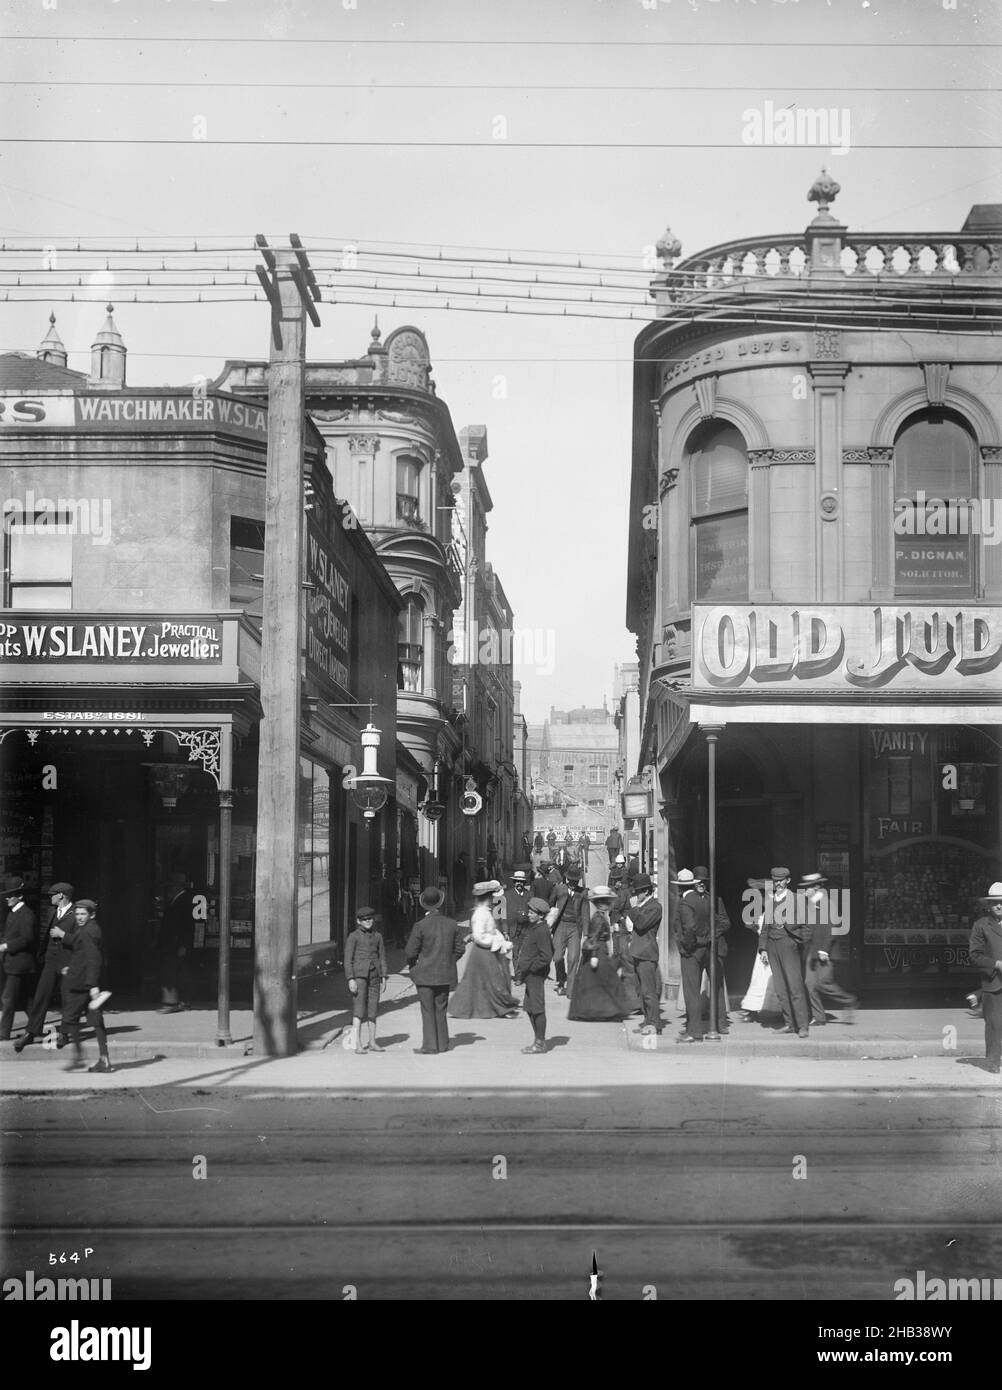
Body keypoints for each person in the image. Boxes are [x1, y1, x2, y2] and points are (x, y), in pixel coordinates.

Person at [405, 886, 465, 1055]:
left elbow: (410, 952)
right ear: (440, 902)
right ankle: (443, 1043)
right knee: (441, 1008)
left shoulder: (420, 926)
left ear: (424, 904)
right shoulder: (452, 924)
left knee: (427, 1009)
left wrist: (413, 966)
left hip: (424, 974)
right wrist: (449, 961)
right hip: (445, 974)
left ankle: (430, 1045)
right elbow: (460, 949)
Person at [15, 881, 75, 1052]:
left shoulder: (75, 913)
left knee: (67, 997)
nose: (50, 897)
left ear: (61, 895)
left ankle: (64, 1033)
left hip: (67, 962)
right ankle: (31, 1032)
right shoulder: (51, 911)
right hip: (50, 959)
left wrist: (63, 935)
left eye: (52, 894)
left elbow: (80, 940)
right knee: (42, 995)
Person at [448, 880, 521, 1019]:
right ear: (486, 897)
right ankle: (501, 1008)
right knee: (494, 979)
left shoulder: (485, 911)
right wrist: (496, 942)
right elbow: (479, 935)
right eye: (490, 896)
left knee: (482, 979)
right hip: (483, 950)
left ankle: (491, 1007)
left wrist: (500, 940)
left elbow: (491, 931)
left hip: (486, 949)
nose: (493, 898)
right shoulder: (481, 913)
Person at [675, 869, 729, 1043]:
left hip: (694, 949)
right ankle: (707, 1027)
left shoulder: (685, 903)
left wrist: (688, 946)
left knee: (691, 991)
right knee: (702, 988)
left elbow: (689, 928)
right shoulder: (705, 901)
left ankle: (694, 1031)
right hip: (706, 947)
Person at [60, 899, 113, 1073]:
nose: (79, 917)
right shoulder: (91, 928)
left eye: (83, 914)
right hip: (86, 980)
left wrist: (92, 985)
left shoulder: (87, 932)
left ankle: (78, 1058)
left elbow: (93, 958)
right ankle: (104, 1060)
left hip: (82, 984)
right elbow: (83, 954)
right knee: (96, 1022)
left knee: (70, 1019)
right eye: (77, 914)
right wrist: (73, 966)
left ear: (92, 915)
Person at [757, 867, 811, 1037]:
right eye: (775, 880)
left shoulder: (798, 900)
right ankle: (789, 1024)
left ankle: (802, 1026)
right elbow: (765, 927)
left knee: (795, 987)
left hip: (788, 947)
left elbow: (807, 929)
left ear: (788, 881)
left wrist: (795, 942)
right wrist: (763, 949)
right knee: (780, 989)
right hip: (772, 947)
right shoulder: (770, 901)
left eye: (781, 880)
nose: (777, 883)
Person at [799, 871, 858, 1025]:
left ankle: (849, 1000)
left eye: (808, 888)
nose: (805, 891)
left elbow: (831, 930)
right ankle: (819, 1017)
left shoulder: (826, 903)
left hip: (824, 952)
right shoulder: (809, 904)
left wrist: (824, 950)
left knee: (823, 983)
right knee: (810, 984)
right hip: (811, 952)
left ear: (817, 887)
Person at [568, 887, 630, 1021]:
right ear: (597, 904)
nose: (605, 905)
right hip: (598, 951)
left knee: (599, 981)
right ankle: (603, 1010)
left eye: (606, 902)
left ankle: (601, 1010)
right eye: (602, 902)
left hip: (600, 949)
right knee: (605, 980)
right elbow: (594, 937)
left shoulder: (600, 916)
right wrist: (595, 955)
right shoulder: (598, 918)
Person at [343, 906, 389, 1054]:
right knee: (358, 1010)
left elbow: (382, 957)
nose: (368, 921)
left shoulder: (378, 936)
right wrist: (351, 979)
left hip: (375, 976)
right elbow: (347, 959)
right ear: (358, 921)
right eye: (364, 920)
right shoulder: (353, 936)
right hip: (359, 977)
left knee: (373, 1009)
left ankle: (373, 1042)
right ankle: (357, 1044)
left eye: (370, 919)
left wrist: (383, 976)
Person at [968, 881, 1002, 1075]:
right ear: (988, 905)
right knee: (995, 1023)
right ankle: (993, 1061)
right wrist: (996, 964)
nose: (999, 905)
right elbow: (975, 955)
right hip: (994, 982)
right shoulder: (981, 925)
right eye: (995, 902)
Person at [514, 897, 554, 1054]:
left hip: (535, 976)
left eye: (532, 913)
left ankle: (540, 1043)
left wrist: (531, 968)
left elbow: (546, 956)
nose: (528, 914)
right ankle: (537, 1040)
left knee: (537, 1008)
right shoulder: (536, 928)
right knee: (530, 1008)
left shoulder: (542, 931)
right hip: (530, 975)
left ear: (540, 915)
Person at [0, 877, 36, 1042]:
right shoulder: (13, 914)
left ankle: (3, 1033)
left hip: (19, 964)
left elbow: (26, 939)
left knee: (8, 999)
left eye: (11, 895)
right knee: (27, 1000)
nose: (7, 898)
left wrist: (6, 946)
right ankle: (38, 1027)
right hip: (15, 963)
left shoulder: (26, 914)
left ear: (20, 896)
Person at [626, 873, 663, 1036]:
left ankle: (654, 1023)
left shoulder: (655, 907)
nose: (636, 895)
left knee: (649, 991)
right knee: (641, 991)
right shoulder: (643, 906)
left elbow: (641, 924)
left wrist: (633, 908)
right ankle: (647, 1020)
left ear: (647, 891)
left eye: (639, 891)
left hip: (647, 953)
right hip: (638, 952)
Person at [157, 870, 193, 1013]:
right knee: (175, 971)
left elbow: (186, 926)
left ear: (177, 887)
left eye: (171, 886)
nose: (169, 889)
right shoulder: (176, 900)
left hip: (175, 944)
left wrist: (184, 944)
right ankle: (179, 1002)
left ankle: (173, 1003)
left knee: (173, 971)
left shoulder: (183, 901)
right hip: (172, 943)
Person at [551, 865, 589, 997]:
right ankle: (561, 980)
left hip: (574, 928)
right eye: (571, 880)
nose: (573, 883)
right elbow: (550, 904)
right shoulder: (559, 889)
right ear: (567, 879)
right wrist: (548, 922)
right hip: (560, 925)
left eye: (575, 881)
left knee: (573, 959)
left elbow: (585, 912)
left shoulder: (583, 893)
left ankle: (571, 990)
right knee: (557, 957)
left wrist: (586, 933)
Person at [501, 869, 532, 958]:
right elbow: (503, 915)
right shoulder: (507, 895)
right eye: (517, 881)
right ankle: (517, 972)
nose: (519, 883)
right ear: (514, 882)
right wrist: (505, 931)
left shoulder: (530, 894)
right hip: (513, 930)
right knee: (516, 954)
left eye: (521, 881)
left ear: (524, 882)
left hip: (526, 929)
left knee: (526, 954)